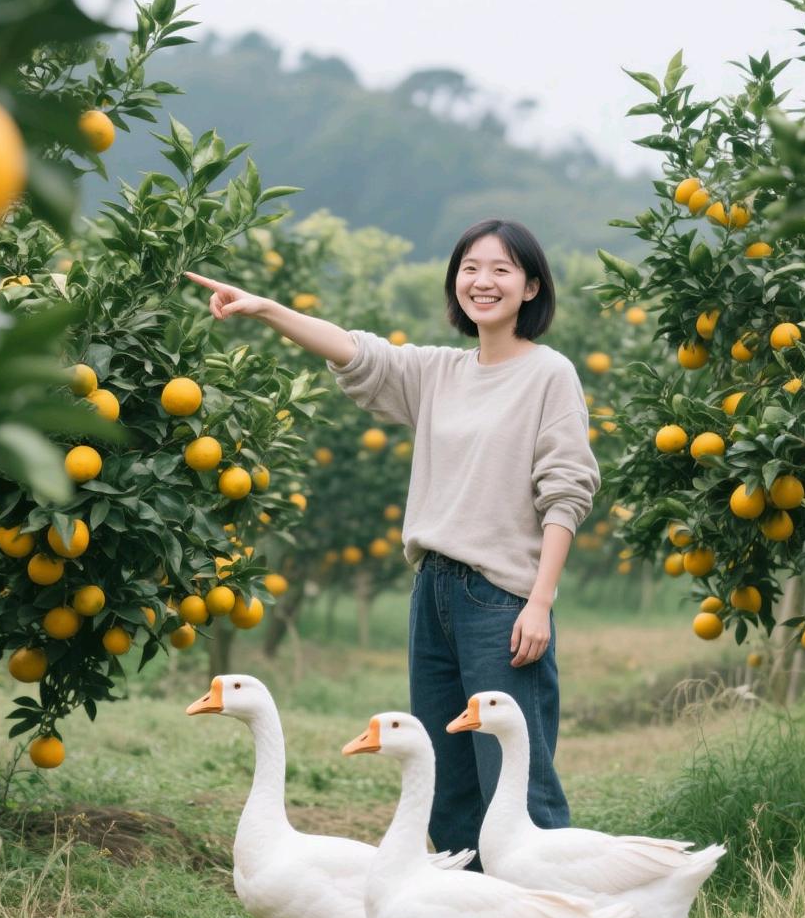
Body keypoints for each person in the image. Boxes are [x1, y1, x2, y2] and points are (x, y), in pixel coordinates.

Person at [185, 218, 599, 864]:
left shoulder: (550, 375)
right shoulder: (438, 372)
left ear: (530, 287)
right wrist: (267, 310)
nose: (481, 281)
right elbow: (356, 352)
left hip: (501, 600)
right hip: (432, 589)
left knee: (514, 781)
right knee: (448, 782)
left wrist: (539, 603)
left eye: (500, 269)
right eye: (469, 267)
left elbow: (567, 490)